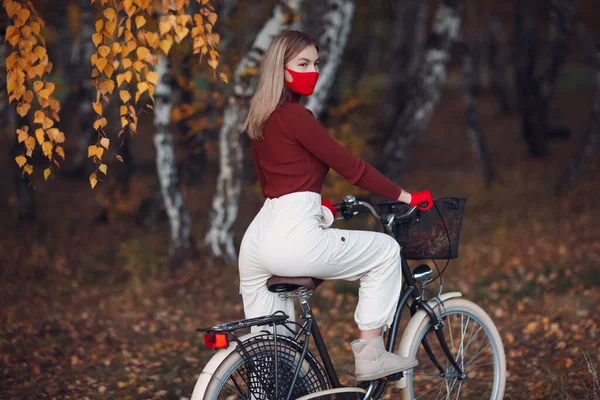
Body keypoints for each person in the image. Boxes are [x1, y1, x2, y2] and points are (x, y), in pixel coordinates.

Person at [239, 30, 434, 382]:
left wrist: (321, 207)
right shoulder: (297, 116)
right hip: (292, 236)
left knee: (269, 351)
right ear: (280, 69)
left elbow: (280, 185)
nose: (312, 70)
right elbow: (352, 169)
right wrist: (406, 196)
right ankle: (372, 355)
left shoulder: (261, 118)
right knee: (386, 250)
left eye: (316, 63)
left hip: (257, 240)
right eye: (302, 63)